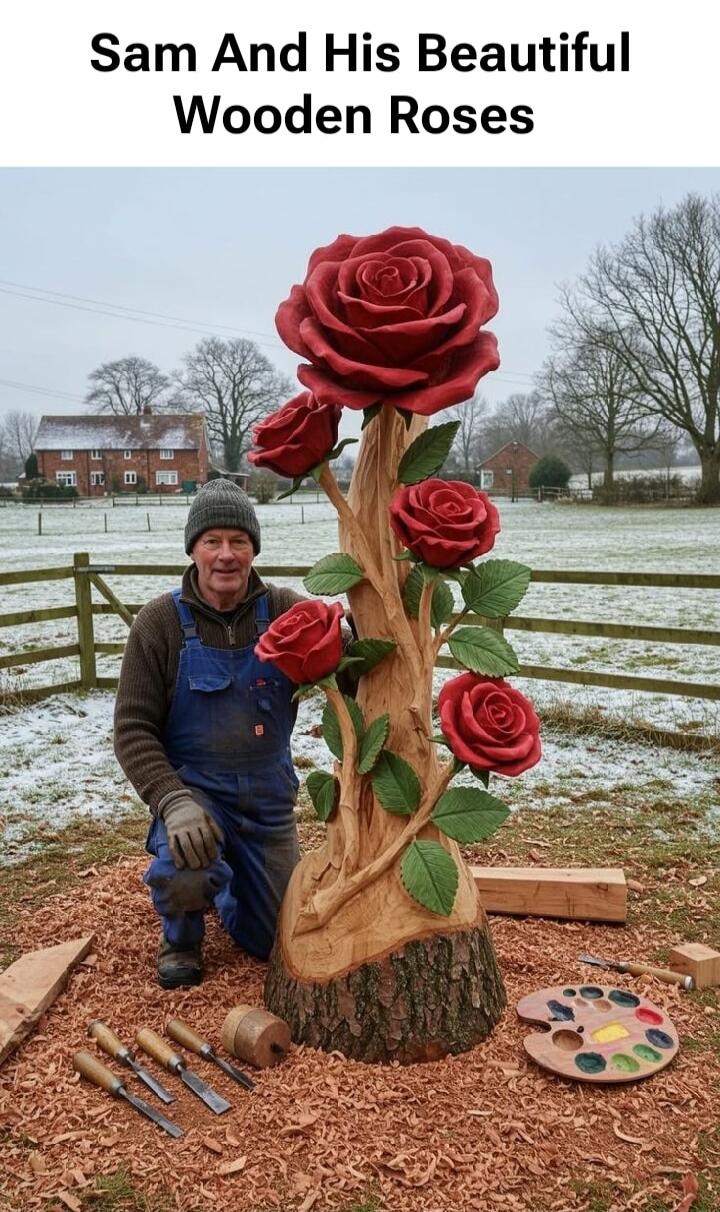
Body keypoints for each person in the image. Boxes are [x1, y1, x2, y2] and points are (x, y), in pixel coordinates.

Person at [114, 478, 308, 989]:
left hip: (267, 801)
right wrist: (170, 799)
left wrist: (351, 642)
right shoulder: (159, 623)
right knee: (185, 866)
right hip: (196, 796)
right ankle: (181, 934)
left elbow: (345, 672)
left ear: (253, 549)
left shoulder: (286, 612)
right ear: (194, 549)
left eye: (238, 542)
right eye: (212, 541)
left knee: (275, 943)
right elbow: (132, 730)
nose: (226, 555)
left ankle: (229, 886)